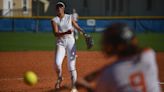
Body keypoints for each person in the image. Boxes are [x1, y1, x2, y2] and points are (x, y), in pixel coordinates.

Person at [95, 23, 161, 92]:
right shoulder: (148, 56)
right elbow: (143, 50)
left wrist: (88, 86)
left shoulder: (110, 73)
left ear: (119, 46)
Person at [51, 2, 86, 92]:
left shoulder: (69, 17)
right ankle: (59, 77)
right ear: (56, 9)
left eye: (61, 7)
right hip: (61, 43)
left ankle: (74, 87)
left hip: (71, 42)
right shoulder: (54, 20)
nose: (59, 8)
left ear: (63, 8)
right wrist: (65, 33)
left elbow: (76, 26)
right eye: (58, 7)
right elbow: (55, 33)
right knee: (57, 64)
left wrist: (83, 32)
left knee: (71, 65)